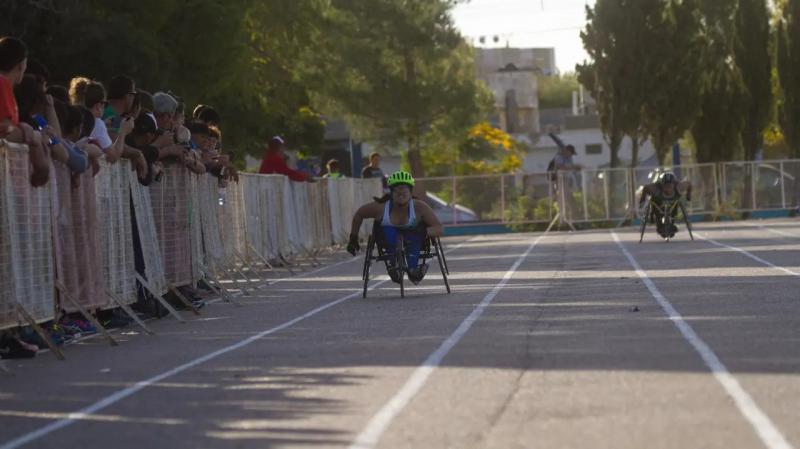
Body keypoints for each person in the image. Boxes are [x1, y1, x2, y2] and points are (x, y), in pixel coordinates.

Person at [346, 170, 443, 284]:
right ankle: (394, 266)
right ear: (391, 193)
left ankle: (413, 269)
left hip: (413, 240)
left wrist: (424, 231)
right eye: (397, 191)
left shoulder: (420, 207)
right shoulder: (380, 207)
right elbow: (359, 214)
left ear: (411, 192)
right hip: (389, 241)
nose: (401, 194)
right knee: (388, 230)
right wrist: (353, 238)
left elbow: (439, 228)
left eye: (404, 190)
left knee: (415, 234)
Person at [0, 36, 49, 186]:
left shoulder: (6, 87)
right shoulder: (2, 84)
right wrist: (30, 134)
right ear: (21, 65)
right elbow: (4, 129)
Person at [639, 171, 692, 238]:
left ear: (673, 184)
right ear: (661, 185)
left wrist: (688, 196)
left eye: (670, 186)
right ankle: (659, 224)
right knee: (654, 203)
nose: (668, 188)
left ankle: (672, 223)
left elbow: (689, 184)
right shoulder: (655, 188)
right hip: (657, 204)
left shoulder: (679, 187)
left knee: (676, 203)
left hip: (673, 205)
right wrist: (642, 200)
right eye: (665, 186)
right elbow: (646, 188)